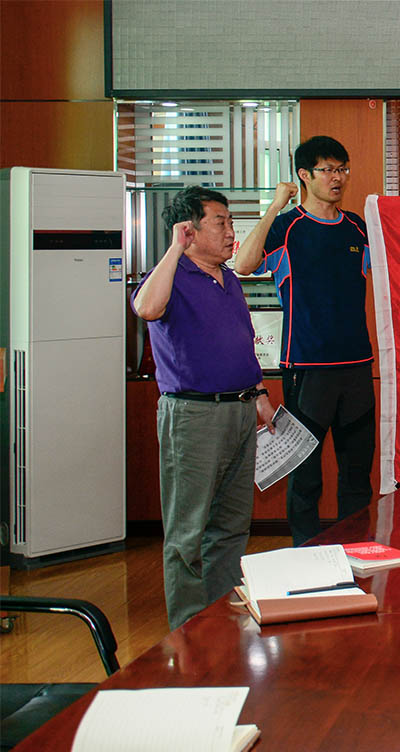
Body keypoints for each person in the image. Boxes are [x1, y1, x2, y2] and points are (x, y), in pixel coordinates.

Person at [132, 187, 274, 629]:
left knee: (231, 525)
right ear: (189, 231)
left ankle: (218, 620)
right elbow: (146, 308)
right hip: (193, 416)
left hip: (239, 410)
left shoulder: (227, 278)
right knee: (187, 532)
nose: (232, 232)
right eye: (221, 223)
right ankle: (188, 629)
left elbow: (241, 341)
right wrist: (175, 249)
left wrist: (260, 394)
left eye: (231, 223)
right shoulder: (171, 274)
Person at [234, 135, 374, 546]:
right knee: (306, 475)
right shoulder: (286, 226)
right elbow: (243, 265)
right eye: (327, 170)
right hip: (307, 368)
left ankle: (356, 553)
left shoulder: (357, 228)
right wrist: (275, 206)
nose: (337, 177)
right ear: (304, 175)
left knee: (356, 475)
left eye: (342, 169)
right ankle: (306, 555)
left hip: (357, 367)